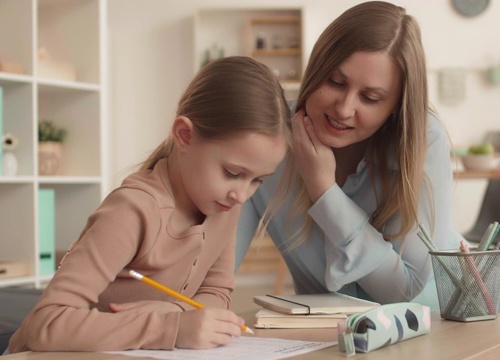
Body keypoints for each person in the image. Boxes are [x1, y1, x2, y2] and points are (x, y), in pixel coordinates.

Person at [236, 2, 500, 359]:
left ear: (396, 106)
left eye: (371, 98)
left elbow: (402, 290)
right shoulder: (267, 135)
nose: (343, 109)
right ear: (317, 67)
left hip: (451, 300)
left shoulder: (421, 136)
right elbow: (215, 273)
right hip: (340, 333)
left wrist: (324, 192)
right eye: (335, 81)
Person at [8, 56, 291, 353]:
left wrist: (172, 314)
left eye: (258, 180)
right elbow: (47, 324)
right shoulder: (132, 211)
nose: (242, 195)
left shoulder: (224, 205)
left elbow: (216, 294)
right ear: (184, 136)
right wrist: (170, 327)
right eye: (233, 173)